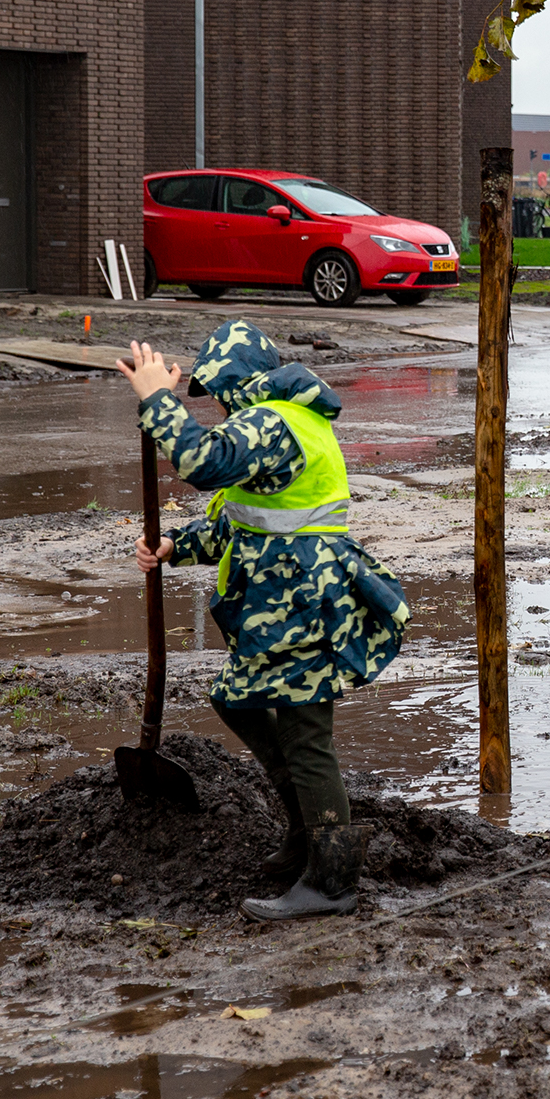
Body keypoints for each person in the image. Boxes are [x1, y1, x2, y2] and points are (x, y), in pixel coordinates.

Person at [118, 321, 408, 922]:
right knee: (238, 699)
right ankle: (304, 832)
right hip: (281, 606)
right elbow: (239, 519)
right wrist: (176, 544)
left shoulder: (274, 422)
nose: (218, 406)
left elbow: (202, 462)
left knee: (305, 735)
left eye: (218, 393)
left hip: (304, 602)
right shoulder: (266, 424)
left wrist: (157, 401)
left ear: (236, 382)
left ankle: (331, 883)